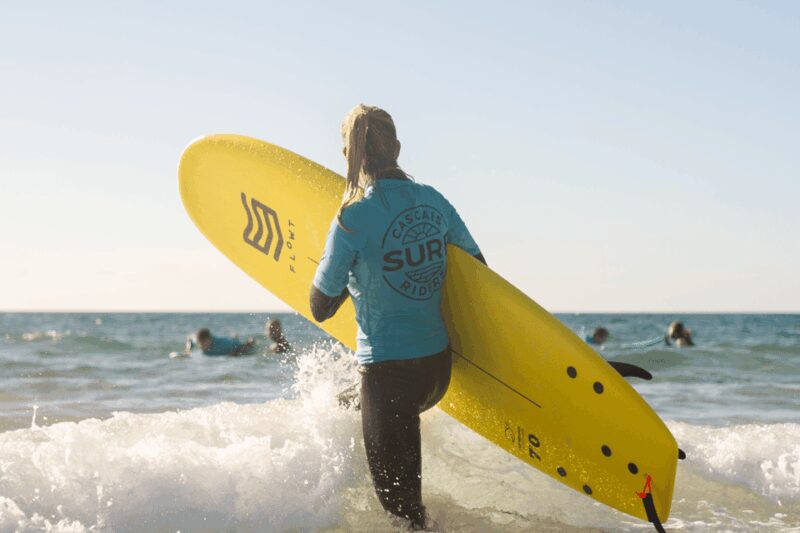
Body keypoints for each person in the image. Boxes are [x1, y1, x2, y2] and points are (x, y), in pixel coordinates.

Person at [309, 105, 485, 530]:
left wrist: (357, 275)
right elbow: (477, 268)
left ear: (349, 154)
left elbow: (320, 305)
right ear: (398, 148)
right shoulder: (434, 200)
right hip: (438, 369)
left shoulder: (352, 219)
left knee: (404, 517)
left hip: (389, 377)